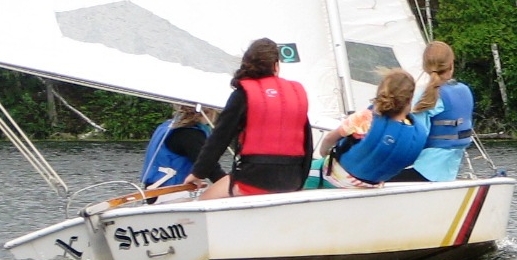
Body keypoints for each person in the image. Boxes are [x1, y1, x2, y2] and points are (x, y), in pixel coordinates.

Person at [186, 38, 311, 199]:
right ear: (275, 65)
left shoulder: (243, 94)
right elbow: (307, 144)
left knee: (202, 200)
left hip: (253, 180)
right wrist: (300, 182)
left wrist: (198, 173)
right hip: (292, 180)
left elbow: (219, 139)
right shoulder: (295, 95)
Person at [318, 69, 427, 187]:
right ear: (410, 99)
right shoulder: (417, 133)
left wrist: (324, 153)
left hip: (337, 178)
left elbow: (329, 138)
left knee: (310, 168)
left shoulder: (364, 118)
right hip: (372, 186)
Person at [392, 41, 475, 183]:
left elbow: (414, 139)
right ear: (451, 64)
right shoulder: (464, 90)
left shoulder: (423, 96)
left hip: (425, 171)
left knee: (372, 176)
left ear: (425, 67)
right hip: (448, 172)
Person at [140, 104, 219, 189]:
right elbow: (211, 170)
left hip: (154, 191)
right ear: (210, 111)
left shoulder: (169, 126)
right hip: (167, 193)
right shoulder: (190, 135)